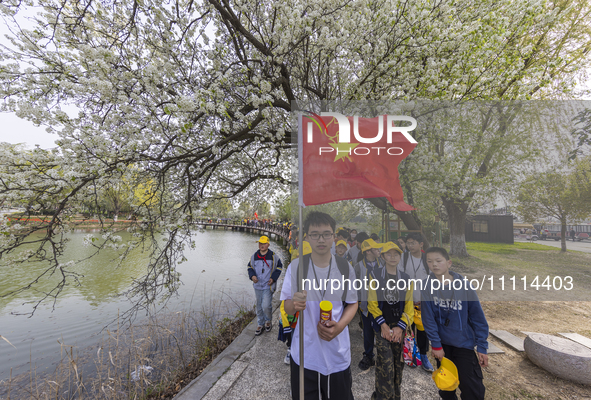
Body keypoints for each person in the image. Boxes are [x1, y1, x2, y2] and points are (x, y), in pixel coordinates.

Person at [280, 211, 358, 400]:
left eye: (326, 234)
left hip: (337, 355)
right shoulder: (296, 267)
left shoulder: (345, 268)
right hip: (304, 355)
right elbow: (287, 307)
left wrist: (339, 327)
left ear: (334, 237)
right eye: (315, 234)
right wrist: (295, 304)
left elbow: (352, 304)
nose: (320, 239)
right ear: (306, 237)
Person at [421, 247, 489, 400]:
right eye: (430, 262)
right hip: (443, 347)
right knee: (446, 387)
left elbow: (478, 317)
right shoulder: (427, 286)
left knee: (472, 388)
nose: (434, 265)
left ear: (449, 263)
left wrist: (482, 346)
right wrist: (436, 345)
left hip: (463, 344)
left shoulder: (464, 286)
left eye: (438, 261)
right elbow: (428, 318)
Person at [368, 242, 414, 400]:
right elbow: (372, 304)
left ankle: (395, 396)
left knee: (397, 365)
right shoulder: (374, 275)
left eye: (396, 254)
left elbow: (409, 308)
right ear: (382, 256)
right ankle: (381, 396)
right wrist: (383, 325)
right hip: (382, 327)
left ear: (401, 257)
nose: (393, 257)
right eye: (389, 254)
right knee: (385, 365)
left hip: (399, 328)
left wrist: (401, 328)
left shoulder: (407, 279)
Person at [397, 232, 434, 372]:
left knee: (423, 330)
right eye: (408, 243)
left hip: (423, 301)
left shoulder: (426, 259)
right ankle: (410, 354)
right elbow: (399, 276)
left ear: (421, 244)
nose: (410, 245)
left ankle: (424, 356)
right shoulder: (404, 257)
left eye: (413, 243)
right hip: (407, 302)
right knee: (409, 329)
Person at [356, 238, 385, 370]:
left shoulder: (383, 264)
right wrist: (359, 302)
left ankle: (384, 357)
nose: (378, 250)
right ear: (367, 252)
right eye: (375, 249)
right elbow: (355, 286)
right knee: (368, 332)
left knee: (382, 331)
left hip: (382, 306)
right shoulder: (358, 267)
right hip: (366, 306)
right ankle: (368, 355)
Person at [248, 235, 283, 336]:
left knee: (266, 305)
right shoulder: (254, 256)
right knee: (259, 306)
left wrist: (273, 278)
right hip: (257, 285)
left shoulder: (273, 256)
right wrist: (252, 276)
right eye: (260, 243)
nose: (262, 245)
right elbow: (249, 267)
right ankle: (260, 324)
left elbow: (279, 266)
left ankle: (268, 321)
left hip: (268, 285)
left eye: (264, 243)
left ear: (268, 244)